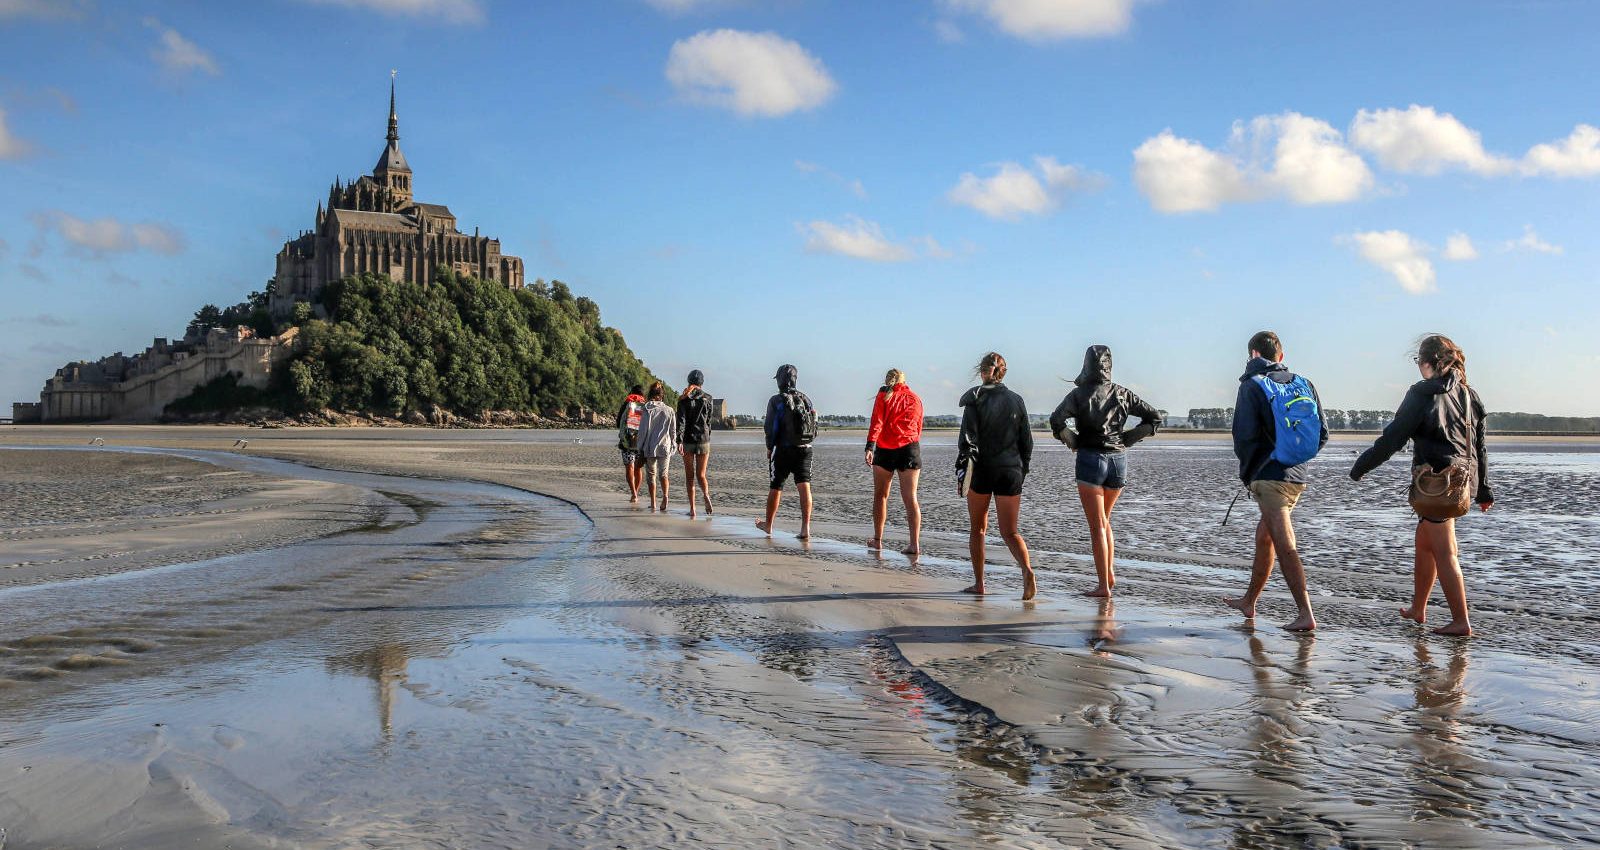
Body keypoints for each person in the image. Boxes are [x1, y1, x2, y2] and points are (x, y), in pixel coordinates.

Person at [1350, 334, 1492, 637]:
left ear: (1429, 363)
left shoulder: (1421, 393)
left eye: (1419, 362)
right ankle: (1418, 607)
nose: (1418, 368)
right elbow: (1479, 447)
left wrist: (1361, 467)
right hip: (1461, 482)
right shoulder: (1470, 394)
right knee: (1424, 543)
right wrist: (1483, 490)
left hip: (1437, 485)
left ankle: (1460, 621)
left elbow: (1393, 438)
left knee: (1445, 552)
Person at [1223, 331, 1329, 632]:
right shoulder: (1304, 383)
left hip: (1269, 478)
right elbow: (1323, 435)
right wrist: (1294, 459)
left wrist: (1250, 474)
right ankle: (1249, 601)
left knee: (1284, 544)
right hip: (1297, 476)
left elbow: (1242, 437)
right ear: (1280, 357)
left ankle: (1305, 613)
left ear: (1253, 354)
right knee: (1265, 537)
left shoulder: (1251, 385)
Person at [1049, 345, 1162, 598]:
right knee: (1104, 521)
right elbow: (1154, 418)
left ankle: (1103, 586)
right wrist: (1126, 439)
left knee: (1097, 525)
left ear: (1086, 365)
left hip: (1090, 458)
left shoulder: (1078, 395)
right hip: (1118, 461)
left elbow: (1056, 420)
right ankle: (1108, 574)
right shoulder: (1122, 393)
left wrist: (1073, 440)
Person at [957, 352, 1035, 600]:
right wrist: (1023, 469)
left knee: (978, 529)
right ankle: (1027, 570)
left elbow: (967, 440)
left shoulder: (975, 398)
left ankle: (979, 583)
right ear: (1003, 372)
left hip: (982, 469)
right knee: (1010, 531)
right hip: (1010, 470)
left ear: (983, 372)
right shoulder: (1017, 400)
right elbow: (1027, 442)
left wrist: (962, 469)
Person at [865, 368, 924, 556]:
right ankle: (914, 544)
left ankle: (877, 540)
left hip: (886, 448)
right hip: (910, 448)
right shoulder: (915, 398)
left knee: (881, 495)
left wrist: (869, 446)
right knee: (910, 497)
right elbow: (918, 425)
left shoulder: (884, 394)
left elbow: (877, 421)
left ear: (887, 380)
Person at [758, 364, 816, 539]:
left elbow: (771, 427)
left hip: (783, 449)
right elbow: (813, 424)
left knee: (776, 486)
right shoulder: (806, 399)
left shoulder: (776, 400)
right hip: (805, 448)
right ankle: (805, 528)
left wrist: (769, 447)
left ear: (780, 381)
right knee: (804, 486)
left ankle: (768, 525)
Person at [676, 369, 716, 518]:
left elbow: (681, 422)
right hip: (704, 439)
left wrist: (678, 440)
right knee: (701, 475)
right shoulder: (708, 398)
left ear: (689, 381)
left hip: (688, 440)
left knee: (690, 476)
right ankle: (706, 495)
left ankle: (692, 509)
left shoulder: (683, 399)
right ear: (702, 383)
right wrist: (707, 436)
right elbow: (708, 421)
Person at [635, 381, 677, 512]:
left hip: (649, 446)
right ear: (662, 395)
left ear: (651, 394)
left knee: (651, 475)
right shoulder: (670, 410)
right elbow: (673, 431)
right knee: (664, 474)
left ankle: (653, 502)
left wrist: (639, 447)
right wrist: (674, 445)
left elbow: (642, 431)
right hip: (665, 446)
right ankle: (665, 496)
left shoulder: (646, 409)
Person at [615, 384, 646, 503]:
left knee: (630, 467)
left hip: (627, 443)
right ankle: (636, 493)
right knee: (638, 469)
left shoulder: (626, 404)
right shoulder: (645, 405)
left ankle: (633, 493)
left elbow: (618, 423)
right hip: (640, 443)